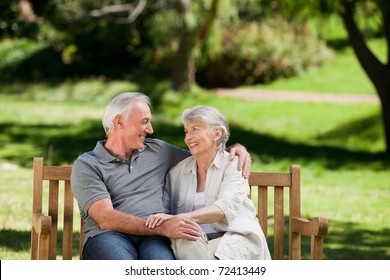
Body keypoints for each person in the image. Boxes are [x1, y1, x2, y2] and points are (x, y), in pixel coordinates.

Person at [70, 92, 251, 260]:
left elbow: (205, 153)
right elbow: (106, 218)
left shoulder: (158, 150)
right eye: (144, 121)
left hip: (155, 238)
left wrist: (235, 149)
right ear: (119, 122)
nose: (150, 129)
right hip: (109, 236)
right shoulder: (87, 165)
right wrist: (163, 226)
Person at [146, 105, 271, 260]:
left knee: (185, 233)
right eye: (186, 131)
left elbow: (223, 209)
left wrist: (180, 218)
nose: (188, 137)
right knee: (183, 234)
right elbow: (163, 210)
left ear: (216, 134)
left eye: (195, 129)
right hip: (194, 242)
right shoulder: (178, 172)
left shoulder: (234, 165)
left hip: (234, 239)